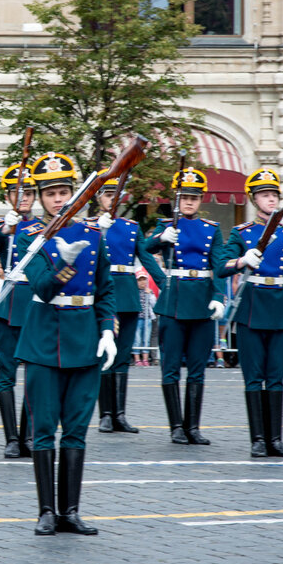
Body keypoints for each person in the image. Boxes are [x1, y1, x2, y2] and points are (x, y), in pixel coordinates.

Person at [15, 152, 116, 536]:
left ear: (76, 195)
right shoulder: (32, 238)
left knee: (75, 429)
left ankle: (70, 511)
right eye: (51, 193)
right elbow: (41, 286)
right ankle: (45, 511)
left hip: (85, 338)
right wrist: (63, 264)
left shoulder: (93, 235)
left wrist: (107, 329)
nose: (58, 199)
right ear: (40, 198)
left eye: (64, 192)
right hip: (43, 340)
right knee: (44, 429)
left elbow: (105, 288)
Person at [217, 169, 283, 458]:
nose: (271, 199)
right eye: (265, 195)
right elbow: (220, 266)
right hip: (252, 308)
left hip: (280, 307)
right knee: (253, 377)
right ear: (253, 199)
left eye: (274, 194)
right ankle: (258, 439)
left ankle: (275, 439)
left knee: (276, 376)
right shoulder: (242, 233)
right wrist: (241, 260)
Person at [144, 167, 227, 445]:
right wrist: (160, 238)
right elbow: (143, 249)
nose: (189, 201)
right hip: (174, 301)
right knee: (169, 367)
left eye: (194, 197)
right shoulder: (164, 225)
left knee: (197, 367)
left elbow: (219, 264)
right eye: (184, 196)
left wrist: (218, 295)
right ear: (176, 198)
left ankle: (193, 426)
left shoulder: (211, 230)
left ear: (200, 199)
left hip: (201, 300)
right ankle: (176, 426)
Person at [90, 172, 166, 435]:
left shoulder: (131, 227)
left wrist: (166, 284)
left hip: (128, 295)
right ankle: (105, 414)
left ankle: (119, 413)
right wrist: (98, 230)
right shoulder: (90, 225)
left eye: (115, 195)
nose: (111, 200)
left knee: (122, 356)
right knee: (103, 354)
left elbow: (145, 258)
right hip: (102, 295)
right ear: (99, 198)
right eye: (107, 195)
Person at [0, 163, 37, 458]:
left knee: (32, 375)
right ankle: (11, 438)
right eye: (18, 192)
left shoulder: (42, 226)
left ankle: (28, 436)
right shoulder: (2, 226)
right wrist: (6, 228)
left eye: (28, 192)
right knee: (7, 375)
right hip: (9, 304)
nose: (24, 197)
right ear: (8, 197)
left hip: (34, 307)